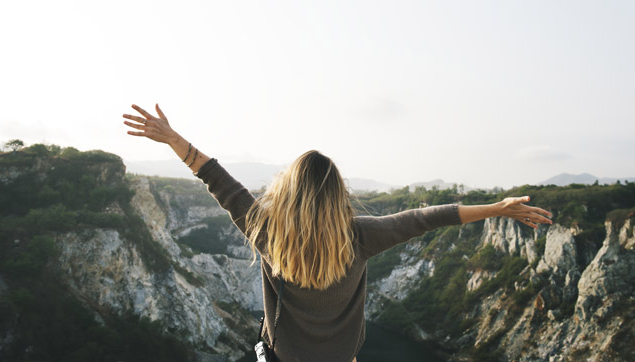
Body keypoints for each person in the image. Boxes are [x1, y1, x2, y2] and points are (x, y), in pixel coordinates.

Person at [123, 104, 553, 362]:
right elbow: (428, 217)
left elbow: (218, 180)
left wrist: (174, 139)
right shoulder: (360, 236)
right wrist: (498, 208)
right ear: (338, 194)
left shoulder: (267, 232)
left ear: (286, 192)